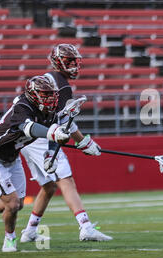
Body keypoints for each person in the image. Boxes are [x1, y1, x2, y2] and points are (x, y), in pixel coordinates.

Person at [17, 44, 111, 242]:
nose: (74, 66)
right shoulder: (61, 84)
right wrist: (85, 142)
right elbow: (63, 121)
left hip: (28, 136)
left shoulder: (51, 79)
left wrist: (84, 142)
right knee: (66, 179)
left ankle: (30, 231)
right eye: (69, 62)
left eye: (75, 62)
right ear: (58, 62)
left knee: (49, 185)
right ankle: (85, 227)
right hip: (40, 135)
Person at [0, 76, 70, 252]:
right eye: (45, 94)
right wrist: (53, 132)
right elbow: (28, 128)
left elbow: (54, 134)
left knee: (17, 205)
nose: (50, 98)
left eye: (51, 94)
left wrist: (50, 155)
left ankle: (10, 236)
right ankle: (10, 240)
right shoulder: (22, 106)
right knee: (12, 204)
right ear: (33, 94)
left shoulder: (49, 111)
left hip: (12, 157)